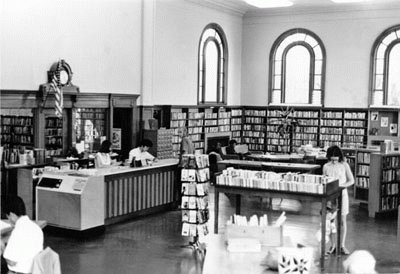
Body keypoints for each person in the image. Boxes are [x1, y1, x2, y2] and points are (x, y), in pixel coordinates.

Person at [322, 145, 354, 255]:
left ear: (340, 157)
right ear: (329, 157)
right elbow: (324, 180)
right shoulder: (326, 166)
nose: (334, 162)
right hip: (330, 196)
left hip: (342, 194)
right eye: (332, 159)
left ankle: (342, 245)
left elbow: (351, 180)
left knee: (342, 221)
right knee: (330, 222)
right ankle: (333, 245)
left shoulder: (345, 165)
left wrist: (342, 186)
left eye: (336, 159)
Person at [2, 196, 44, 274]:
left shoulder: (17, 232)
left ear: (11, 214)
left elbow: (11, 262)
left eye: (7, 216)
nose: (8, 219)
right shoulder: (36, 228)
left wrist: (2, 247)